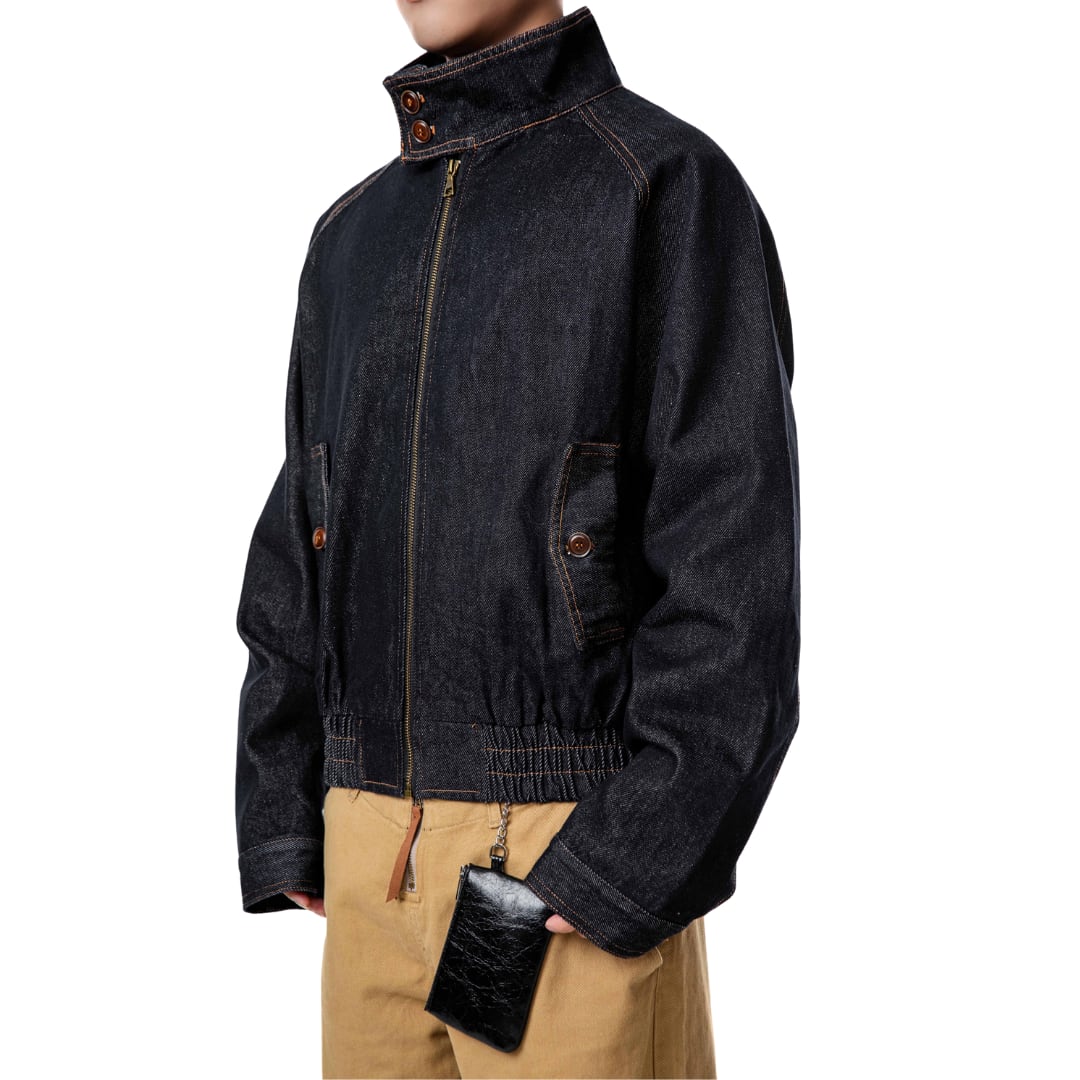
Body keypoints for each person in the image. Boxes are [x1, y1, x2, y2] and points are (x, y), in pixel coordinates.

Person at [234, 2, 800, 1077]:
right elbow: (299, 533)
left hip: (554, 861)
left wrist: (627, 859)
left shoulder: (660, 185)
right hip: (367, 851)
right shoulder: (350, 237)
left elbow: (734, 565)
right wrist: (286, 806)